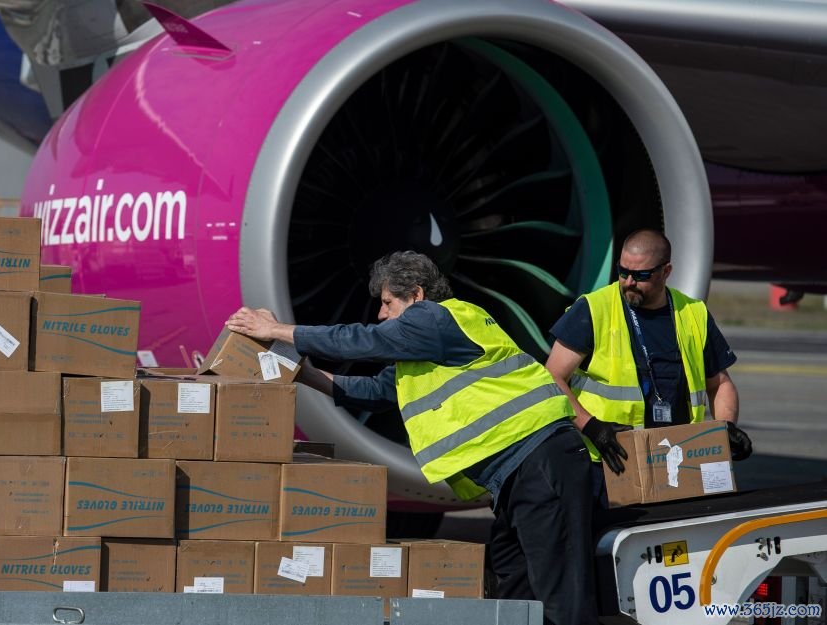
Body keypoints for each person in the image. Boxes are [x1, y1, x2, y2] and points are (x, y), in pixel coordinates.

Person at [227, 251, 599, 625]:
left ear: (417, 295)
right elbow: (374, 391)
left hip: (540, 461)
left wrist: (276, 330)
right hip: (518, 474)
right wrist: (302, 371)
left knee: (562, 597)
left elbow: (359, 340)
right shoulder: (428, 350)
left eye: (388, 303)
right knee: (516, 582)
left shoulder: (435, 317)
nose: (381, 315)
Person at [544, 229, 752, 475]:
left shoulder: (694, 313)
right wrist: (592, 428)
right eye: (623, 272)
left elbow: (719, 384)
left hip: (678, 459)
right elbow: (552, 378)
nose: (629, 282)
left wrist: (725, 428)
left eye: (640, 275)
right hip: (608, 460)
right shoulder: (593, 309)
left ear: (666, 272)